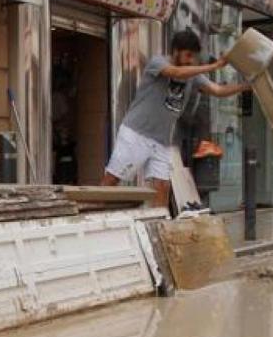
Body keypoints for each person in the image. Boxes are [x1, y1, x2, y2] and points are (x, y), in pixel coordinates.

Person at [101, 30, 251, 208]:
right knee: (112, 179)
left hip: (162, 140)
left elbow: (217, 90)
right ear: (175, 51)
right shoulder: (158, 62)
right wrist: (214, 66)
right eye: (188, 55)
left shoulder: (193, 75)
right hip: (136, 133)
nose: (191, 60)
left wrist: (246, 86)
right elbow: (175, 73)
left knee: (163, 186)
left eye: (194, 57)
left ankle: (159, 224)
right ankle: (92, 218)